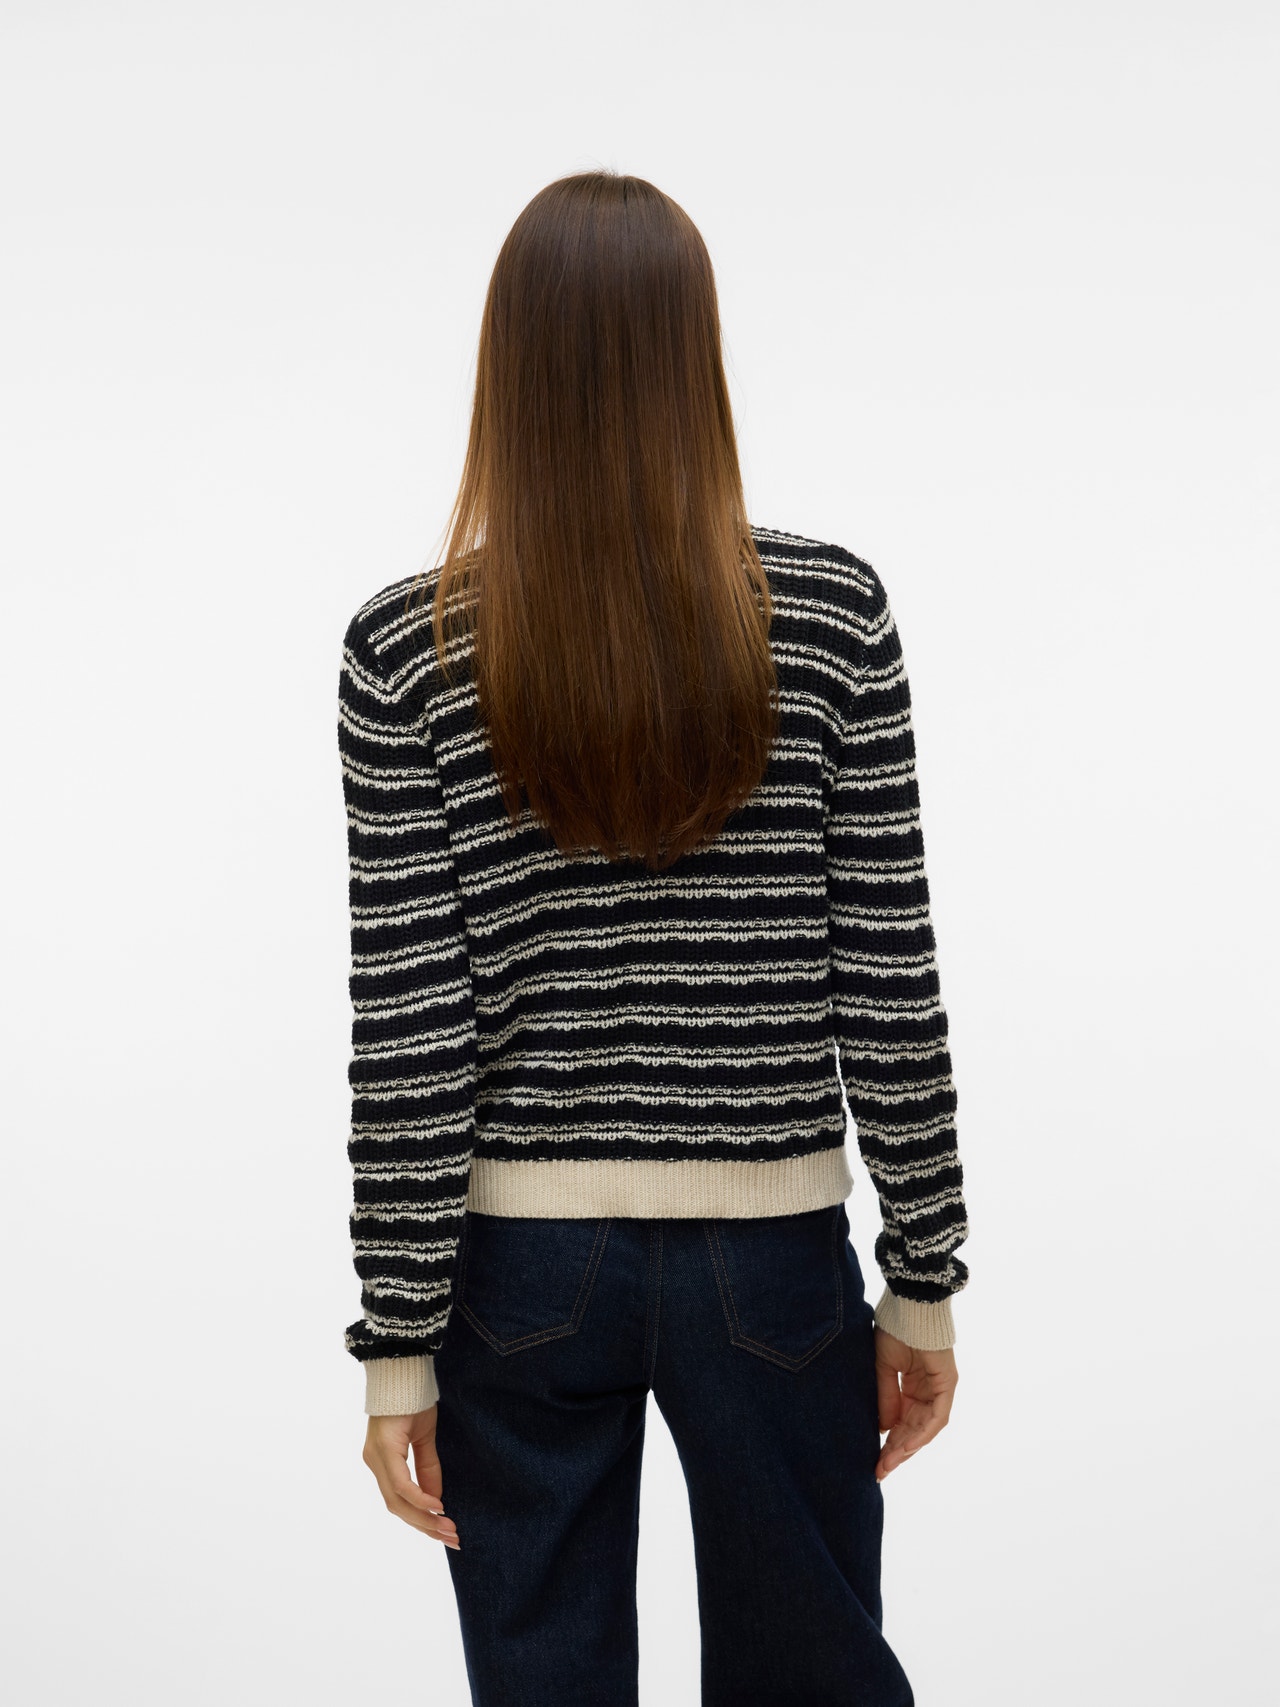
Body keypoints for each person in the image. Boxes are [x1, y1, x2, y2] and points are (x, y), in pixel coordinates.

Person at [336, 169, 969, 1707]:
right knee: (814, 1680)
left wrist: (399, 1346)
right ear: (701, 358)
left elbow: (415, 1034)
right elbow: (889, 982)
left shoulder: (408, 652)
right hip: (775, 1256)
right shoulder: (832, 616)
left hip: (521, 1269)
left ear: (508, 369)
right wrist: (923, 1280)